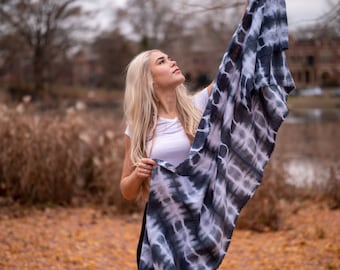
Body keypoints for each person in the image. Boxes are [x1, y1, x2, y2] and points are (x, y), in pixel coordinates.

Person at [120, 2, 249, 268]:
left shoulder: (198, 105)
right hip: (160, 228)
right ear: (148, 80)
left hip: (199, 224)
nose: (173, 62)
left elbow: (231, 69)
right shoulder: (139, 128)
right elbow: (127, 190)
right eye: (162, 61)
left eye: (169, 58)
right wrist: (137, 175)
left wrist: (248, 19)